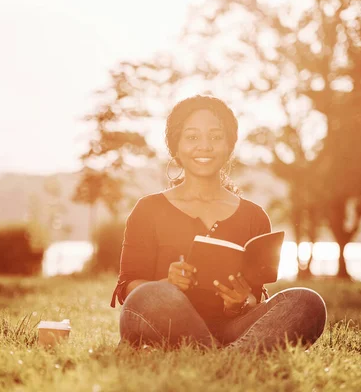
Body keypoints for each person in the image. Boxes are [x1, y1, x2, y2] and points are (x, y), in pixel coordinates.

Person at [110, 95, 327, 352]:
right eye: (192, 137)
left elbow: (255, 296)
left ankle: (217, 356)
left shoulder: (254, 216)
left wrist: (239, 303)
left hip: (233, 328)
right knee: (150, 296)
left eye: (215, 137)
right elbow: (129, 289)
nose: (205, 146)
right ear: (176, 147)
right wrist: (167, 285)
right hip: (165, 321)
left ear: (228, 146)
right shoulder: (148, 209)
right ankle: (228, 356)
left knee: (306, 302)